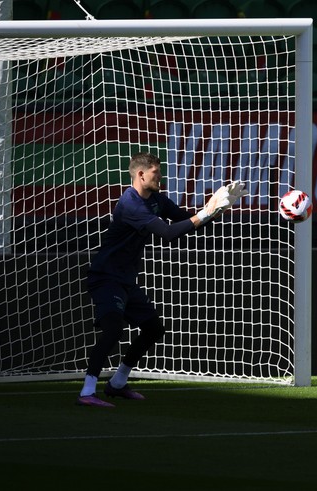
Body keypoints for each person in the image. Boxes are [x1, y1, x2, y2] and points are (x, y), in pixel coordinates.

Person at [77, 152, 247, 407]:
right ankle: (87, 392)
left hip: (126, 279)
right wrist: (206, 212)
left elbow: (182, 219)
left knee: (153, 329)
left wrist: (217, 210)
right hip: (106, 278)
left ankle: (117, 384)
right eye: (156, 173)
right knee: (114, 329)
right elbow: (168, 233)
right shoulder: (130, 204)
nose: (161, 177)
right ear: (141, 174)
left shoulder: (156, 199)